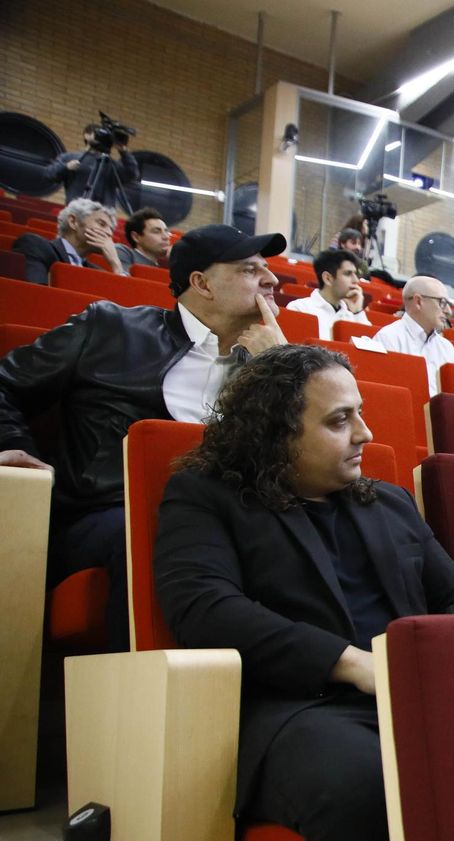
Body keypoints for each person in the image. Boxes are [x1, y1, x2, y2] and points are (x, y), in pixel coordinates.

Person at [154, 344, 454, 841]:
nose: (365, 433)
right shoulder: (205, 495)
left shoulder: (386, 503)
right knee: (363, 784)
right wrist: (349, 663)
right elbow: (205, 608)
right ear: (276, 431)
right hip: (293, 710)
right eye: (339, 421)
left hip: (407, 698)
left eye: (359, 414)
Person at [0, 223, 287, 647]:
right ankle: (144, 704)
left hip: (227, 512)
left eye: (267, 269)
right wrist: (14, 445)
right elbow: (5, 383)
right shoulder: (110, 328)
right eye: (249, 269)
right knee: (165, 532)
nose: (272, 279)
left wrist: (279, 368)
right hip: (107, 512)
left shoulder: (265, 360)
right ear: (201, 284)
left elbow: (301, 453)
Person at [371, 275, 454, 395]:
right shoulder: (388, 338)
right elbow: (385, 395)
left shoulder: (447, 348)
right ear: (418, 302)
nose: (449, 311)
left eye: (449, 304)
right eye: (442, 303)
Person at [12, 197, 129, 283]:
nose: (109, 233)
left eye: (111, 229)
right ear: (73, 222)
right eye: (101, 224)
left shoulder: (98, 272)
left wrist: (116, 264)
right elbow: (35, 294)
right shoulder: (36, 246)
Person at [44, 122, 141, 207]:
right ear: (86, 135)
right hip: (77, 212)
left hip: (102, 217)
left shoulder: (111, 165)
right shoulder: (70, 157)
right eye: (98, 134)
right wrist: (66, 167)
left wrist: (123, 151)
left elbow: (132, 174)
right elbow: (49, 174)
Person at [285, 248, 369, 341]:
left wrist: (358, 312)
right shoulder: (300, 308)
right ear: (328, 278)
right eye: (348, 274)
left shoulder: (353, 316)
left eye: (355, 274)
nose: (356, 280)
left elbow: (367, 352)